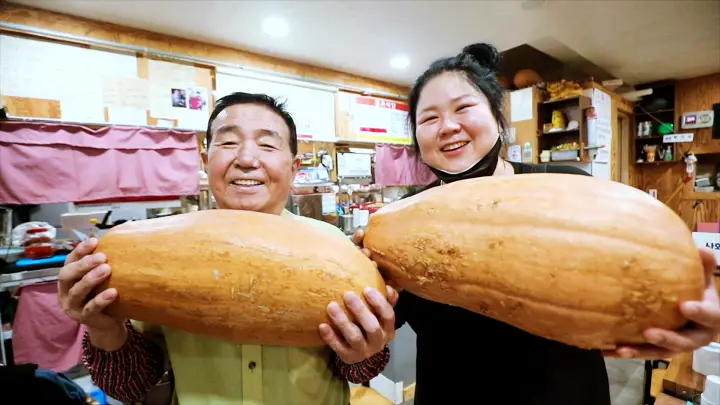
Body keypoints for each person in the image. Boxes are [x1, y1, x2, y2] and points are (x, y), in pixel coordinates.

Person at [344, 43, 720, 405]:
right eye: (429, 118)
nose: (447, 126)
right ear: (417, 139)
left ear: (496, 118)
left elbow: (636, 281)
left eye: (464, 108)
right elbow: (370, 350)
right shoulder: (398, 220)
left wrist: (680, 310)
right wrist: (361, 351)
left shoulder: (565, 185)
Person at [58, 92, 398, 405]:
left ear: (294, 168)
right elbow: (131, 387)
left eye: (267, 145)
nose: (247, 159)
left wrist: (364, 353)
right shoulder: (157, 247)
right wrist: (104, 329)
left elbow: (359, 372)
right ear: (206, 161)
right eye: (230, 142)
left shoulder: (338, 247)